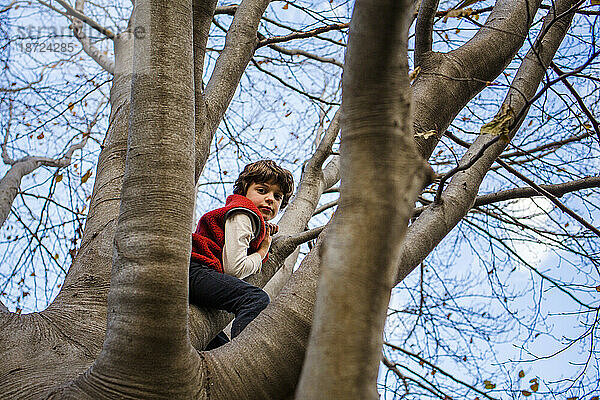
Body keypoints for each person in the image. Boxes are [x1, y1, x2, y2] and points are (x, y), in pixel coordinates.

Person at [189, 160, 294, 350]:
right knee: (256, 299)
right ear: (244, 190)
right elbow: (234, 269)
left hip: (197, 276)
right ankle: (241, 355)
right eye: (262, 190)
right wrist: (262, 251)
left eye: (277, 196)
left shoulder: (246, 216)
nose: (270, 199)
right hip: (194, 271)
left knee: (216, 344)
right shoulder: (243, 213)